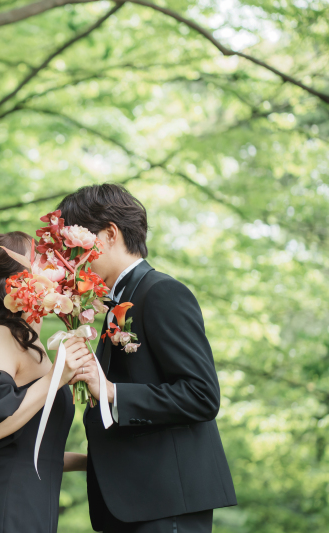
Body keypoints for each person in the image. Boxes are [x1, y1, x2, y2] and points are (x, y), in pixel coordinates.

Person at [63, 184, 237, 533]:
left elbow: (202, 395)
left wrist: (111, 391)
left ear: (109, 234)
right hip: (132, 502)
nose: (71, 262)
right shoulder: (116, 301)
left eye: (75, 248)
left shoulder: (161, 293)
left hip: (165, 501)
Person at [0, 231, 92, 533]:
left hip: (33, 509)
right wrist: (55, 379)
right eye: (39, 259)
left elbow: (28, 450)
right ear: (14, 280)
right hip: (5, 510)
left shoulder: (31, 343)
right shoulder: (0, 337)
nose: (53, 265)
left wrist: (92, 462)